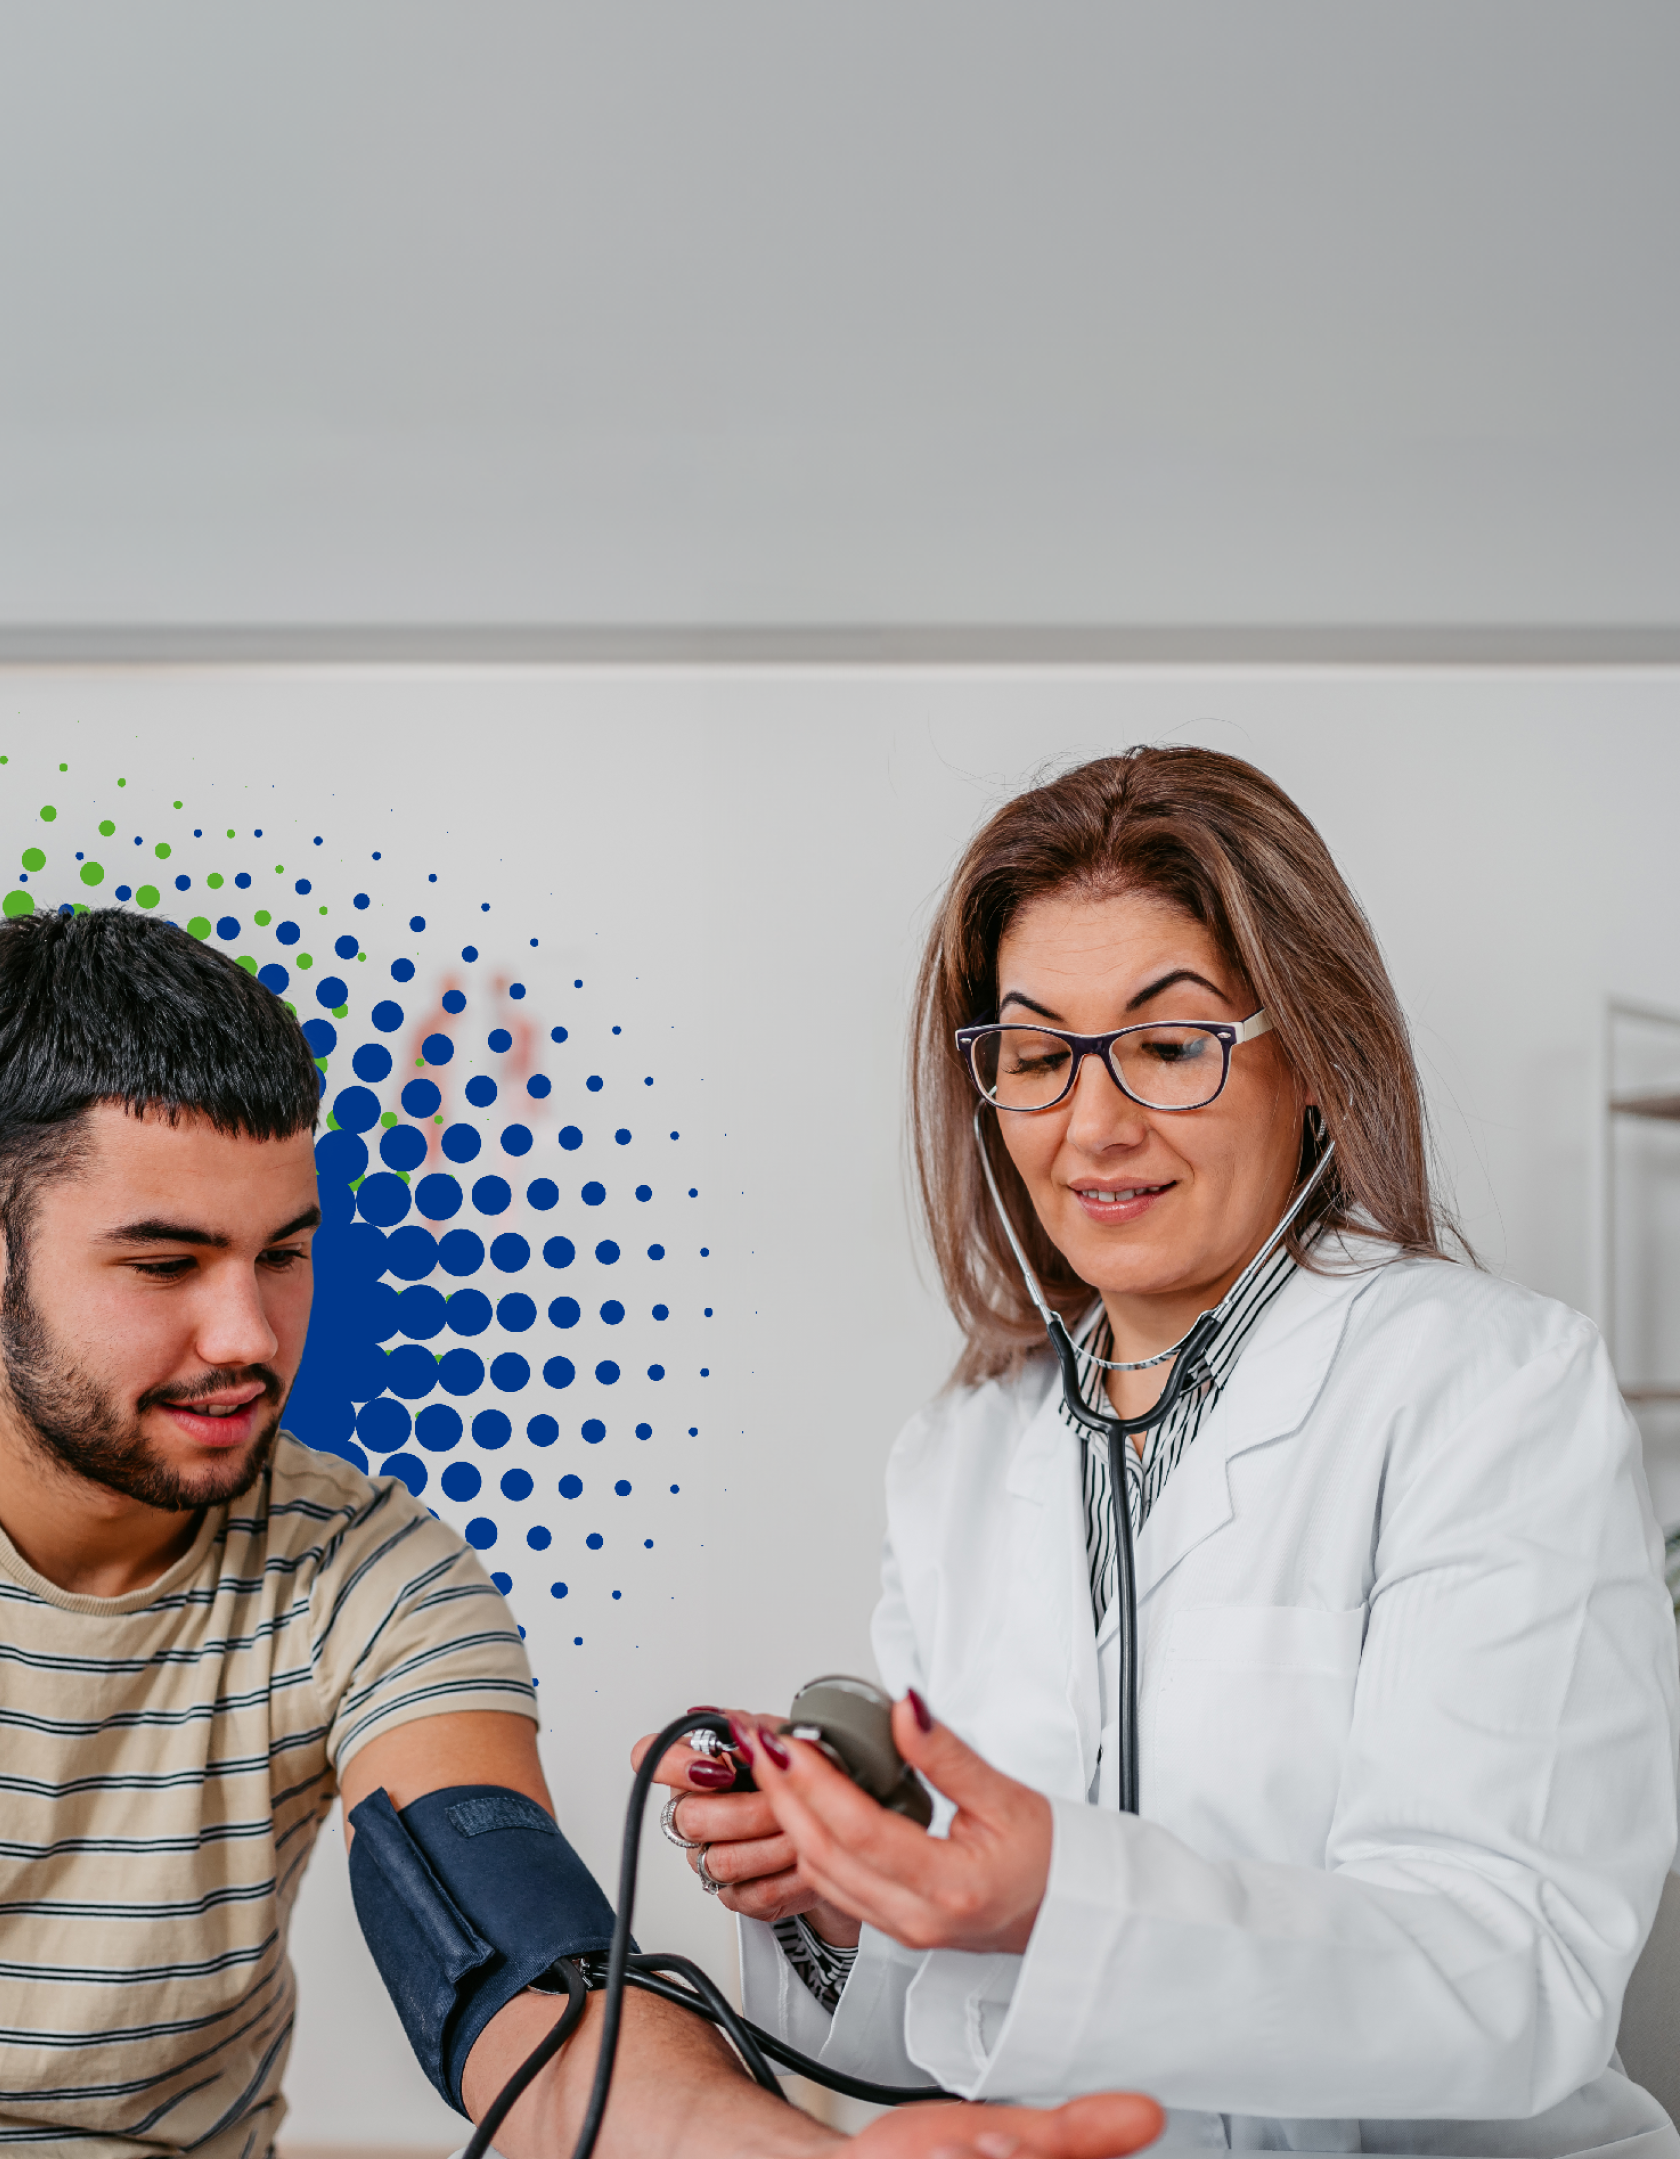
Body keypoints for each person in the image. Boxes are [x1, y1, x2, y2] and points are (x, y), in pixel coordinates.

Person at [0, 906, 1164, 2159]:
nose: (248, 1334)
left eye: (282, 1251)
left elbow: (518, 1971)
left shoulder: (372, 1568)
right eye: (162, 1262)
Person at [647, 748, 1680, 2154]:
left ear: (1309, 1058)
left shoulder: (1488, 1390)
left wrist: (1057, 1898)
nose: (1093, 1124)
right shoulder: (960, 1457)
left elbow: (1516, 1969)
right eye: (1036, 1057)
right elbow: (938, 2032)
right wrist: (844, 1893)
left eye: (1170, 1043)